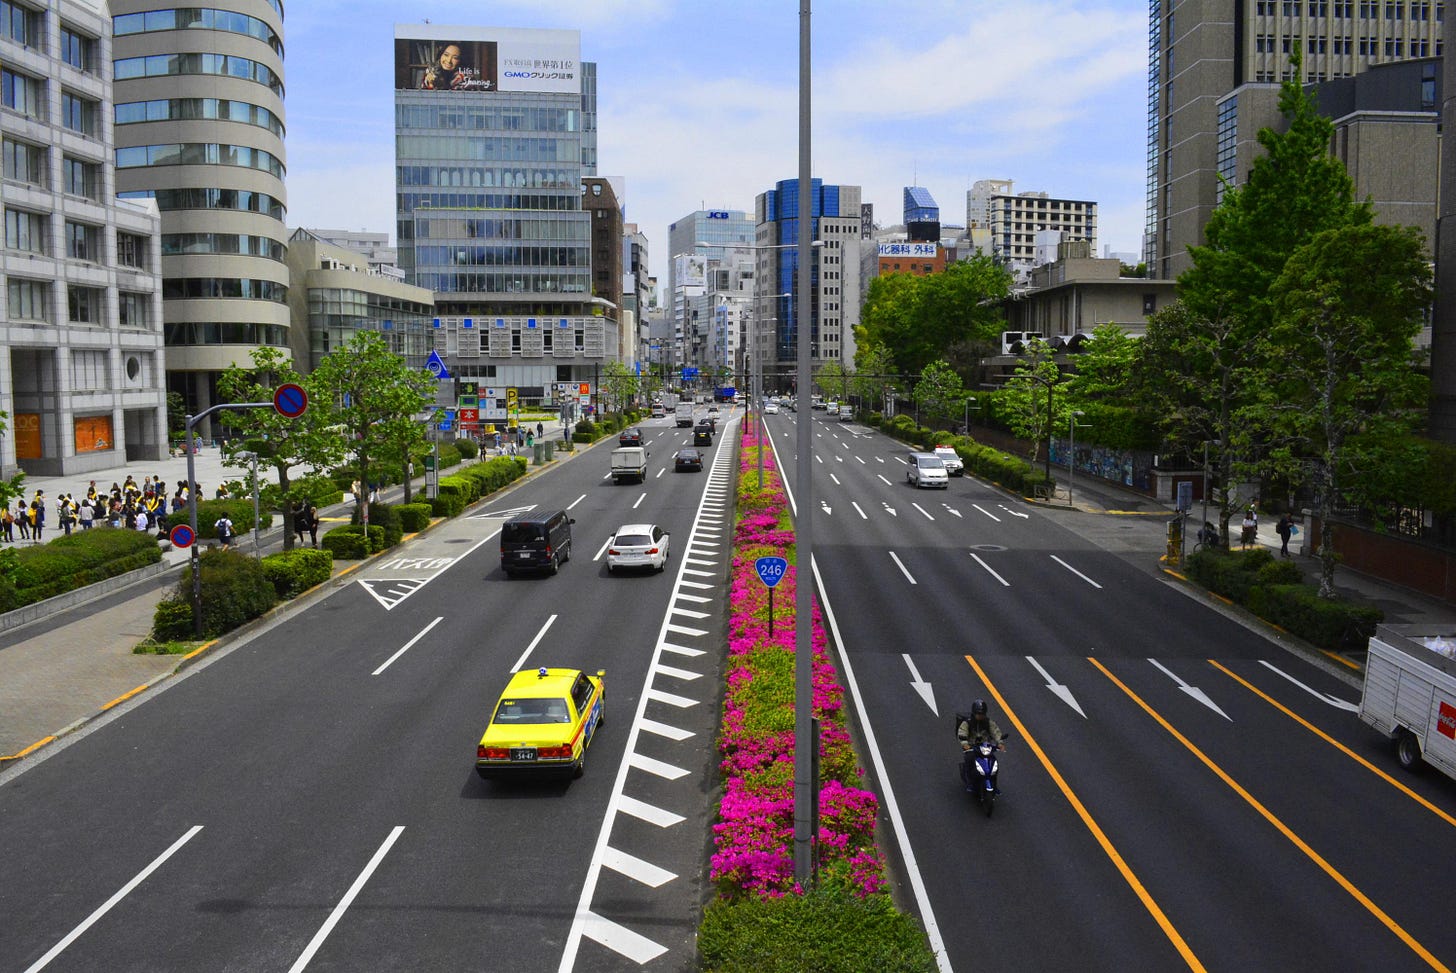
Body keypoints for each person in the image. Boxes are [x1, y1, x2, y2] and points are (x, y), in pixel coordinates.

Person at [958, 699, 1005, 794]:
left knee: (994, 762)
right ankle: (970, 782)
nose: (980, 715)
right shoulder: (967, 723)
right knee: (969, 759)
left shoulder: (988, 722)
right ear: (974, 713)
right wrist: (965, 744)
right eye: (978, 713)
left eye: (982, 714)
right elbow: (962, 732)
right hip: (972, 747)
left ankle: (994, 785)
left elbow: (995, 732)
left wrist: (1000, 743)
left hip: (986, 747)